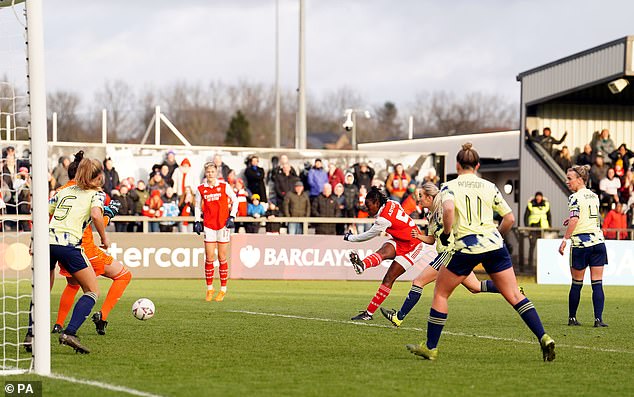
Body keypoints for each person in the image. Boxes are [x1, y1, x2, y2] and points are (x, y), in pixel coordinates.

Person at [406, 143, 555, 361]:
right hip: (494, 244)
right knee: (514, 294)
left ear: (457, 165)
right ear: (477, 165)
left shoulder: (450, 186)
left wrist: (447, 233)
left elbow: (447, 209)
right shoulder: (489, 186)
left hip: (466, 246)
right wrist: (498, 237)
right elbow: (510, 218)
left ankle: (430, 347)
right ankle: (544, 337)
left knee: (440, 293)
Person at [379, 183, 504, 327]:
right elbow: (432, 240)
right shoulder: (430, 215)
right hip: (454, 254)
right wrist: (418, 236)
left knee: (418, 282)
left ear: (430, 197)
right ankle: (511, 289)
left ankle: (398, 317)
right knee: (475, 287)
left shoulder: (444, 211)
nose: (419, 200)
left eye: (421, 197)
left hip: (448, 253)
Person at [51, 152, 131, 338]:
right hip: (81, 247)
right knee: (122, 276)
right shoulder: (91, 192)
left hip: (55, 242)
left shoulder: (62, 190)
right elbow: (93, 218)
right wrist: (108, 216)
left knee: (72, 284)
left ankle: (56, 324)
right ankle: (100, 317)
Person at [37, 157, 109, 354]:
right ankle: (70, 332)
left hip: (46, 242)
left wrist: (33, 240)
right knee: (92, 290)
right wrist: (104, 238)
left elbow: (41, 211)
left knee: (42, 290)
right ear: (99, 176)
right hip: (68, 244)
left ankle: (30, 334)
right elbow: (96, 215)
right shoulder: (97, 194)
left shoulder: (64, 190)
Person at [343, 186, 427, 321]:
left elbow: (368, 235)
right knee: (383, 251)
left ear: (377, 203)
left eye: (368, 205)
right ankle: (362, 265)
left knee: (389, 278)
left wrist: (350, 238)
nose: (366, 208)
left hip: (414, 246)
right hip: (401, 240)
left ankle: (368, 314)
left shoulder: (383, 219)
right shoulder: (393, 203)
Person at [559, 165, 609, 327]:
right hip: (598, 243)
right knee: (597, 283)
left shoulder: (574, 197)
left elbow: (575, 219)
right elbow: (587, 217)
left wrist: (565, 239)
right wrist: (572, 219)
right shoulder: (594, 196)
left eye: (570, 179)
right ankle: (598, 320)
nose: (567, 182)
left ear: (580, 180)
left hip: (581, 245)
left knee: (577, 283)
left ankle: (572, 318)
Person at [194, 162, 238, 302]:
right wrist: (197, 221)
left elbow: (235, 200)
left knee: (222, 257)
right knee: (209, 257)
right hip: (209, 225)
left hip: (222, 225)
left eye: (212, 172)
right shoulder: (201, 189)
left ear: (216, 173)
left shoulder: (224, 186)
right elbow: (197, 206)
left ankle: (223, 289)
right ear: (205, 173)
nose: (210, 174)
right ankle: (209, 288)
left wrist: (232, 216)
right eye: (208, 172)